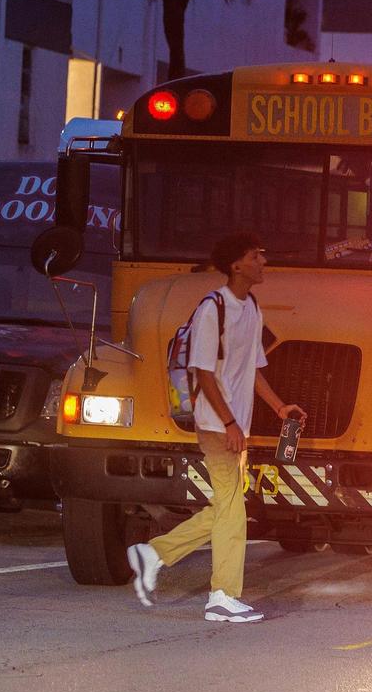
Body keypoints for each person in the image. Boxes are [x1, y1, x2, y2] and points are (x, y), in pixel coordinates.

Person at [127, 233, 305, 623]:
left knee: (225, 507)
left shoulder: (252, 306)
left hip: (235, 425)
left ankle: (154, 553)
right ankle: (222, 596)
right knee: (233, 510)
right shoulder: (213, 309)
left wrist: (279, 408)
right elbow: (203, 373)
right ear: (236, 265)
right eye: (255, 256)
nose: (263, 261)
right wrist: (227, 422)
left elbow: (253, 369)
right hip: (215, 424)